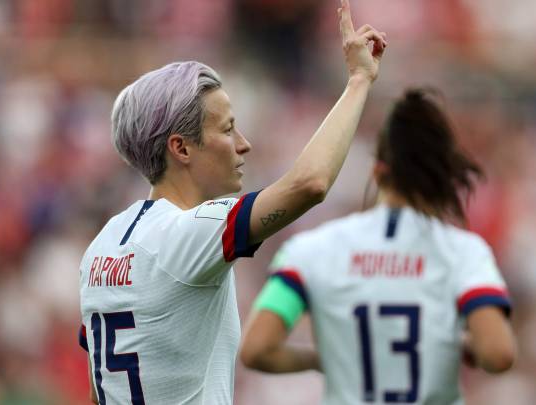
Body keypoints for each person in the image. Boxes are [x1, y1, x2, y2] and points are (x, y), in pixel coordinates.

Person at [76, 0, 387, 403]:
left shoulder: (101, 247)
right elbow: (310, 183)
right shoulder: (189, 232)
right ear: (181, 148)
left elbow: (98, 382)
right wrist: (359, 80)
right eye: (227, 129)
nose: (244, 144)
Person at [240, 89, 517, 404]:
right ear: (445, 176)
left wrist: (327, 359)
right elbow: (498, 354)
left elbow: (256, 349)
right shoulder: (464, 252)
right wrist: (459, 343)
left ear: (378, 171)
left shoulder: (310, 250)